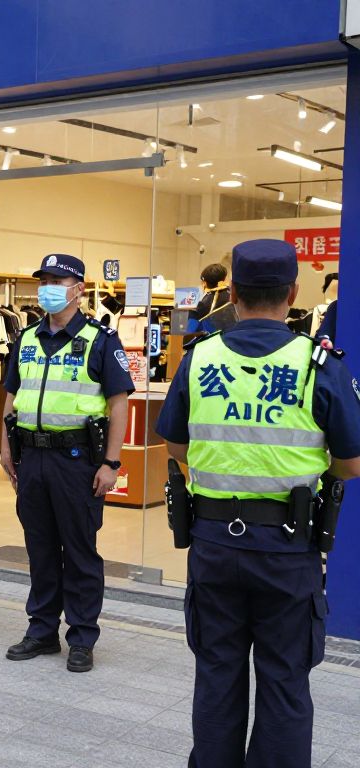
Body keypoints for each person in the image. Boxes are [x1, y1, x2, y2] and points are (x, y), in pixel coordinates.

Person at [156, 239, 360, 767]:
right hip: (289, 553)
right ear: (292, 293)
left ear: (234, 294)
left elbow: (176, 445)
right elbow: (351, 462)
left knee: (218, 675)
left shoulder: (200, 358)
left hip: (213, 545)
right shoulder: (319, 364)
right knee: (285, 682)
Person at [0, 254, 132, 673]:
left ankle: (81, 636)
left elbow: (119, 404)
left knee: (79, 551)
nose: (48, 288)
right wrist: (5, 448)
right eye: (44, 280)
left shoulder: (100, 340)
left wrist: (111, 463)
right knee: (39, 549)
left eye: (57, 280)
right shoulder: (26, 338)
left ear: (78, 287)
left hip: (77, 461)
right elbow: (11, 394)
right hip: (32, 457)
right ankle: (41, 630)